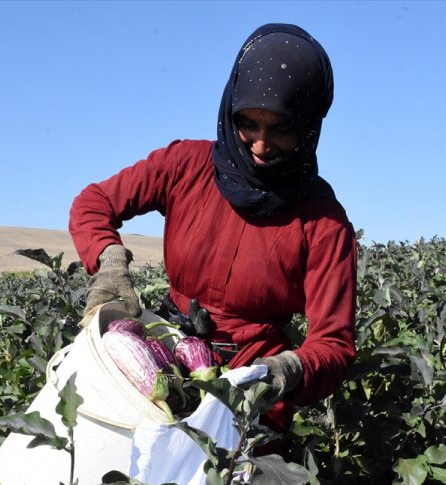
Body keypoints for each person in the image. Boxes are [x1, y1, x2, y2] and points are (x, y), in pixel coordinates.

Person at [69, 23, 357, 433]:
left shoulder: (323, 223)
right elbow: (94, 203)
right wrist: (109, 260)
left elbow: (335, 345)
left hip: (251, 398)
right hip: (166, 364)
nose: (259, 145)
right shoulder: (185, 166)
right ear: (230, 108)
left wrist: (286, 370)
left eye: (281, 129)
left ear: (309, 125)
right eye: (248, 123)